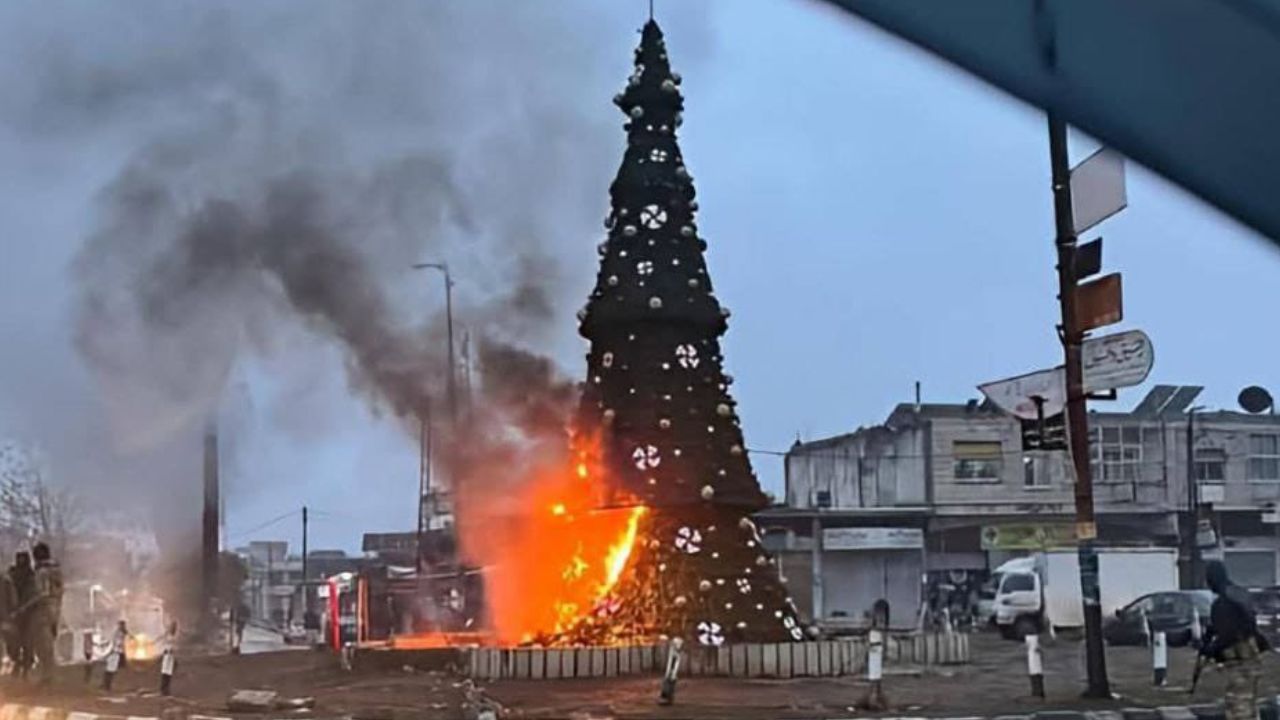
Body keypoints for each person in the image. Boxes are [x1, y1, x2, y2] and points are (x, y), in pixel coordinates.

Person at [1201, 560, 1269, 720]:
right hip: (1251, 656)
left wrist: (1210, 649)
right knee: (1249, 704)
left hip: (1239, 661)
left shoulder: (1222, 603)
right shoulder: (1239, 593)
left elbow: (1227, 635)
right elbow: (1243, 623)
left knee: (1238, 707)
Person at [30, 542, 63, 683]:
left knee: (42, 643)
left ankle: (47, 674)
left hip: (43, 608)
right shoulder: (56, 569)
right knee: (50, 638)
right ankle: (49, 673)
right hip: (55, 606)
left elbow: (41, 593)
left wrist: (24, 607)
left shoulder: (42, 572)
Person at [8, 552, 35, 678]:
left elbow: (34, 595)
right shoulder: (11, 576)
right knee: (13, 643)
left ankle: (25, 668)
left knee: (27, 643)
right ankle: (18, 664)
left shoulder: (32, 577)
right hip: (14, 614)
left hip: (28, 614)